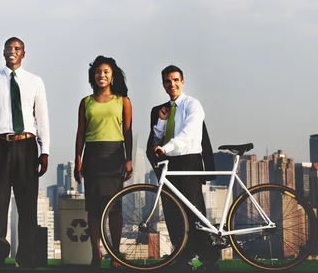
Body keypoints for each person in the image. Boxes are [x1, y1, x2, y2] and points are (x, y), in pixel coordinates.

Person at [0, 37, 50, 268]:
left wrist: (44, 150)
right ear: (3, 52)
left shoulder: (35, 82)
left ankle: (26, 256)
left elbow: (42, 118)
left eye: (17, 49)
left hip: (26, 146)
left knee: (27, 204)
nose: (12, 52)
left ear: (24, 53)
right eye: (9, 48)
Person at [147, 65, 219, 271]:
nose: (172, 84)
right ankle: (181, 256)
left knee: (194, 211)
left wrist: (167, 147)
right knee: (171, 211)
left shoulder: (192, 105)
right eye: (168, 81)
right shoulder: (161, 110)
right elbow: (155, 140)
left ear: (183, 81)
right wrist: (161, 122)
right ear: (163, 85)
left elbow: (189, 132)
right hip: (168, 163)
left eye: (176, 80)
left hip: (189, 161)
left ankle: (208, 258)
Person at [74, 56, 133, 268]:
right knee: (94, 208)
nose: (102, 75)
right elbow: (81, 132)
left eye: (106, 72)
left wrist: (128, 159)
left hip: (115, 155)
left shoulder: (122, 101)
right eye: (98, 72)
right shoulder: (86, 102)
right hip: (92, 156)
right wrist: (77, 159)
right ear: (93, 76)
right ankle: (96, 253)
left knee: (115, 208)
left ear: (112, 75)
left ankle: (115, 253)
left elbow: (127, 132)